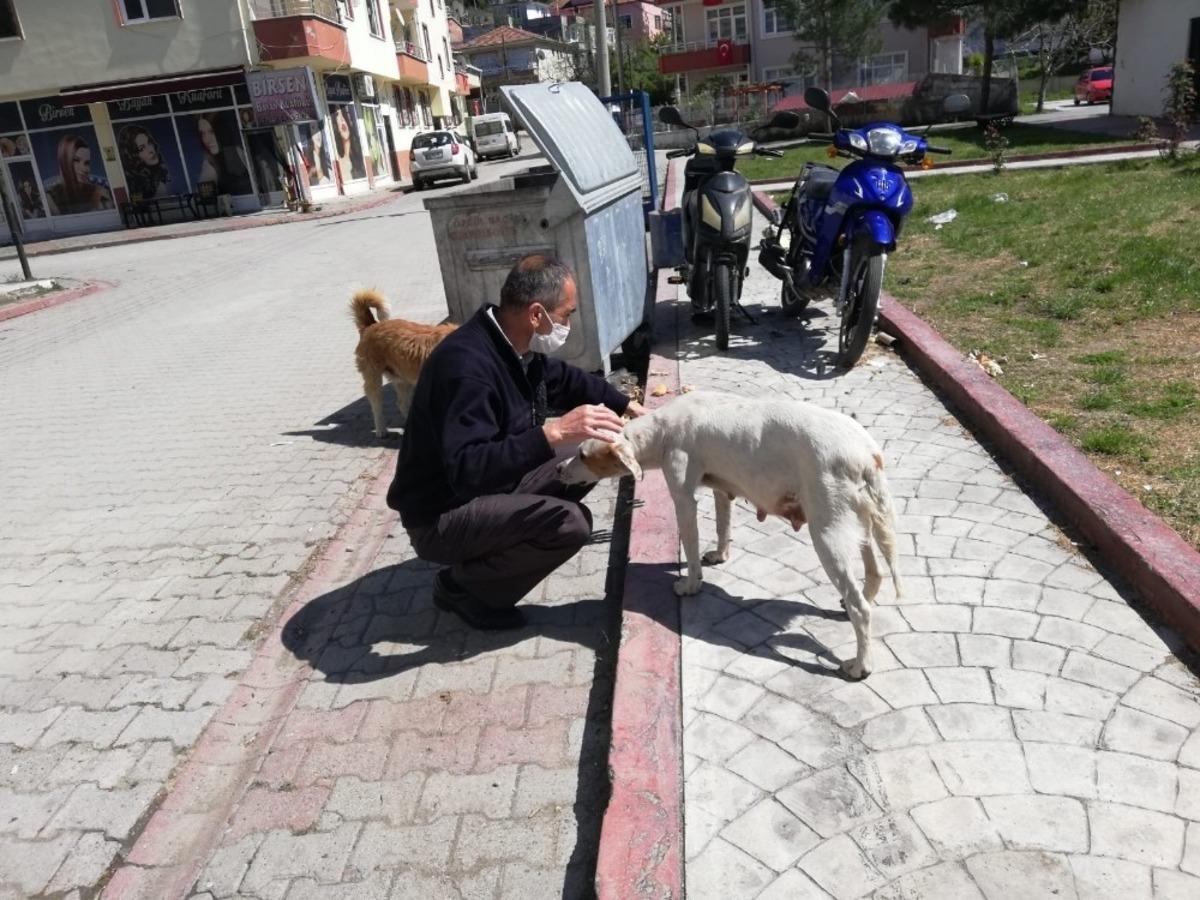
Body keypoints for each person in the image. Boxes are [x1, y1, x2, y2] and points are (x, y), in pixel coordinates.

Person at [388, 254, 648, 630]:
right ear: (537, 314)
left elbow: (564, 379)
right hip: (440, 514)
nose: (568, 324)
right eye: (566, 314)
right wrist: (551, 434)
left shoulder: (508, 342)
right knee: (569, 525)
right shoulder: (468, 367)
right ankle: (462, 587)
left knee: (587, 460)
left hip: (486, 488)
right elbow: (468, 469)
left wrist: (627, 405)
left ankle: (494, 548)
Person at [43, 133, 114, 215]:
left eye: (87, 163)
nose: (84, 169)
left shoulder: (100, 193)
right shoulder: (51, 197)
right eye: (76, 160)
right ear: (64, 162)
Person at [194, 112, 252, 196]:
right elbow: (203, 198)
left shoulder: (237, 152)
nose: (207, 139)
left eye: (211, 131)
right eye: (202, 133)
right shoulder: (209, 168)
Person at [118, 125, 170, 199]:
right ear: (132, 155)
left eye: (149, 143)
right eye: (142, 148)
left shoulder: (157, 177)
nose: (151, 150)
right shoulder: (134, 185)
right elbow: (138, 206)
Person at [332, 106, 363, 182]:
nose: (342, 120)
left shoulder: (358, 153)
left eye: (342, 115)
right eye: (337, 115)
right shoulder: (340, 160)